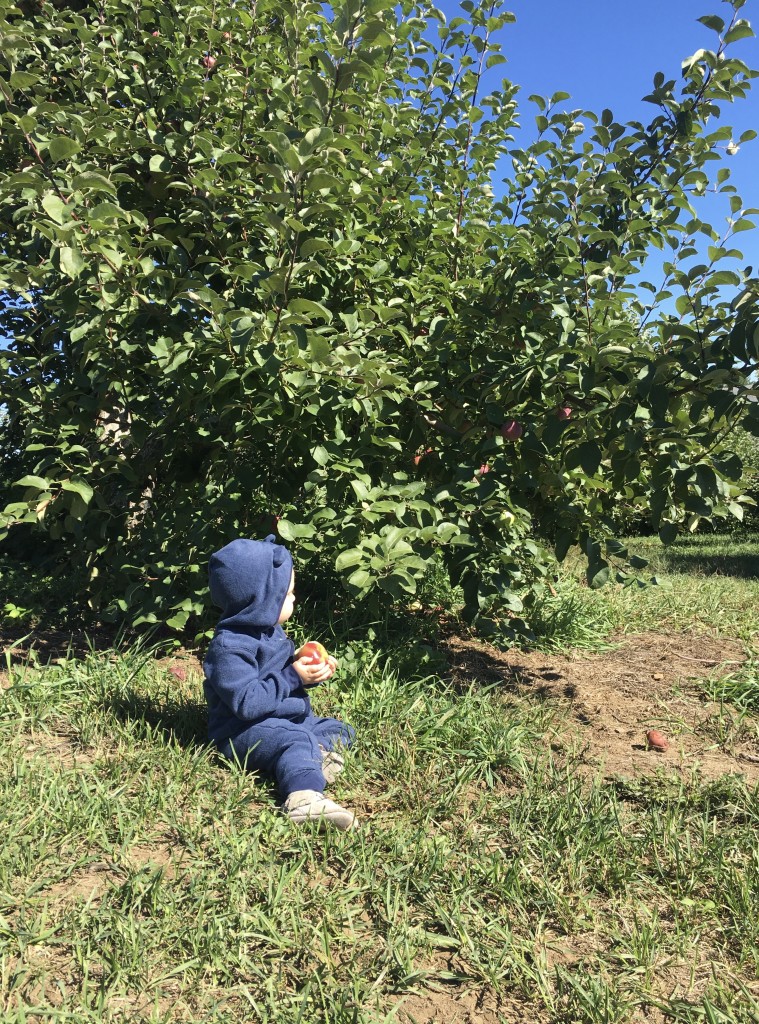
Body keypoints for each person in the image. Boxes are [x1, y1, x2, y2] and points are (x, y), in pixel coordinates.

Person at [203, 536, 357, 830]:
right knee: (297, 740)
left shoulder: (269, 632)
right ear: (260, 601)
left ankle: (310, 758)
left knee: (339, 729)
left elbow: (278, 676)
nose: (294, 599)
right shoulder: (230, 649)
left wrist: (306, 667)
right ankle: (304, 799)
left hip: (284, 720)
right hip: (241, 732)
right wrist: (293, 675)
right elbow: (248, 703)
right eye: (287, 594)